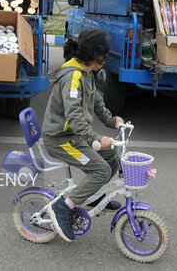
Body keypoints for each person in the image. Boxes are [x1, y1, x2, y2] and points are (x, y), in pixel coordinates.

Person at [42, 29, 124, 242]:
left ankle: (95, 197)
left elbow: (96, 101)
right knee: (101, 170)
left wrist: (111, 120)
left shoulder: (86, 73)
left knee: (111, 157)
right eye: (105, 56)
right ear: (98, 58)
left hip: (72, 136)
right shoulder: (73, 77)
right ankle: (62, 207)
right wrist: (95, 138)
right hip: (61, 139)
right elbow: (74, 118)